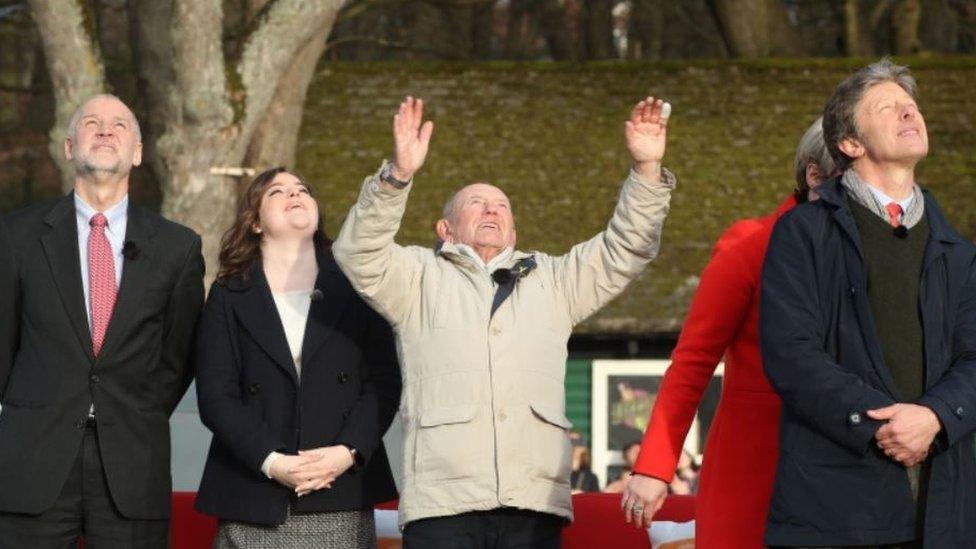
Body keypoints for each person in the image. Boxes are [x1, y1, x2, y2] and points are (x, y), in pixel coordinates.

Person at [332, 95, 677, 548]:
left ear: (514, 231)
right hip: (443, 502)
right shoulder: (416, 278)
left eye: (501, 206)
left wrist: (647, 172)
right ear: (445, 229)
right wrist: (397, 177)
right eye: (476, 203)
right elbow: (356, 252)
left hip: (532, 503)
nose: (492, 209)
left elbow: (626, 248)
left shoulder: (556, 281)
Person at [761, 59, 976, 547]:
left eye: (912, 107)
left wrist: (936, 416)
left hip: (944, 514)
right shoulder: (803, 233)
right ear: (850, 144)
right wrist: (882, 424)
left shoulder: (958, 249)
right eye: (888, 107)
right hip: (835, 509)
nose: (908, 113)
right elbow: (792, 355)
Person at [0, 94, 204, 547]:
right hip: (32, 463)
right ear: (70, 147)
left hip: (132, 464)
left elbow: (178, 356)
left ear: (137, 152)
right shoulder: (16, 236)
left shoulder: (178, 247)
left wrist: (131, 408)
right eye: (91, 123)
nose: (105, 130)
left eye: (119, 125)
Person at [620, 117, 835, 546]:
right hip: (755, 462)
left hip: (845, 468)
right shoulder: (749, 247)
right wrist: (655, 465)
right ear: (815, 176)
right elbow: (694, 360)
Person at [193, 167, 401, 548]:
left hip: (338, 490)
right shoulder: (228, 293)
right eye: (277, 192)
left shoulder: (357, 283)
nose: (294, 194)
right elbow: (215, 395)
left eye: (302, 189)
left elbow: (384, 383)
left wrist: (346, 453)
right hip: (254, 491)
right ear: (255, 222)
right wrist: (273, 462)